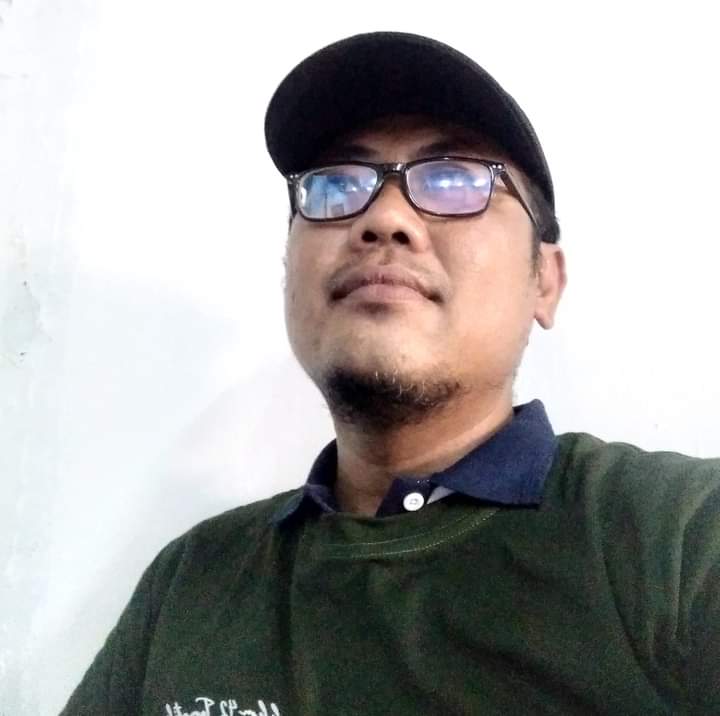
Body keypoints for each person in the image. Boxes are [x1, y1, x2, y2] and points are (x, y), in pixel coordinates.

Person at [61, 32, 719, 715]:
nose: (383, 218)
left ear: (544, 281)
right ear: (289, 270)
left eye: (456, 179)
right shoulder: (191, 583)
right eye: (337, 184)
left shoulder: (678, 539)